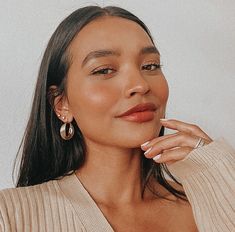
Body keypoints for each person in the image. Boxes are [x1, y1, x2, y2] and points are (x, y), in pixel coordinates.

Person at [0, 5, 234, 232]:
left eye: (150, 65)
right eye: (104, 70)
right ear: (62, 104)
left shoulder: (210, 202)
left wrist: (223, 179)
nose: (140, 85)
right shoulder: (11, 216)